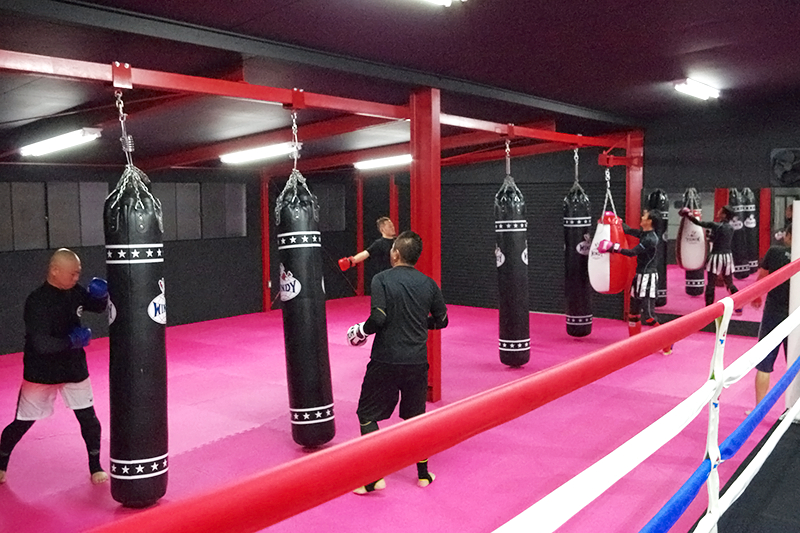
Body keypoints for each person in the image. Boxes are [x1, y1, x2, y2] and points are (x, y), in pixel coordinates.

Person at [346, 231, 448, 494]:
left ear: (396, 254)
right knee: (416, 419)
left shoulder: (381, 279)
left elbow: (378, 317)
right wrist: (418, 323)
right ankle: (423, 475)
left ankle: (373, 478)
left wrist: (361, 331)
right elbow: (442, 320)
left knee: (367, 415)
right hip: (416, 362)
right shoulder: (429, 284)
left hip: (385, 360)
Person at [0, 249, 109, 485]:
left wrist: (100, 296)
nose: (76, 278)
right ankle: (1, 463)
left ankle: (95, 466)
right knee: (22, 422)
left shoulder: (74, 290)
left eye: (78, 273)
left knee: (89, 419)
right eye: (72, 274)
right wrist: (71, 340)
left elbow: (96, 306)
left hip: (73, 367)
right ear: (55, 271)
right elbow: (41, 344)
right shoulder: (37, 301)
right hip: (42, 370)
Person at [598, 210, 671, 353]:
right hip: (639, 277)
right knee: (633, 313)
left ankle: (668, 340)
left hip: (648, 279)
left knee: (649, 316)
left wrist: (612, 248)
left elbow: (632, 253)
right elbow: (629, 230)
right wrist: (614, 221)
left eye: (644, 216)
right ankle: (634, 344)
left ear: (649, 221)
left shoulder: (651, 239)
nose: (641, 217)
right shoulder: (644, 234)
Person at [750, 226, 792, 411]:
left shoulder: (775, 251)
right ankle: (794, 409)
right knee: (795, 363)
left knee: (765, 362)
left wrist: (756, 296)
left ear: (789, 236)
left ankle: (758, 410)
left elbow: (762, 277)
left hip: (773, 312)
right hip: (795, 314)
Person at [679, 204, 741, 313]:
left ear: (724, 215)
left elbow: (698, 223)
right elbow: (720, 239)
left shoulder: (716, 225)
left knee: (711, 284)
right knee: (729, 283)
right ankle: (739, 305)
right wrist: (710, 236)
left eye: (720, 211)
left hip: (716, 256)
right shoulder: (731, 228)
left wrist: (688, 215)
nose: (718, 212)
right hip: (727, 257)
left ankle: (709, 309)